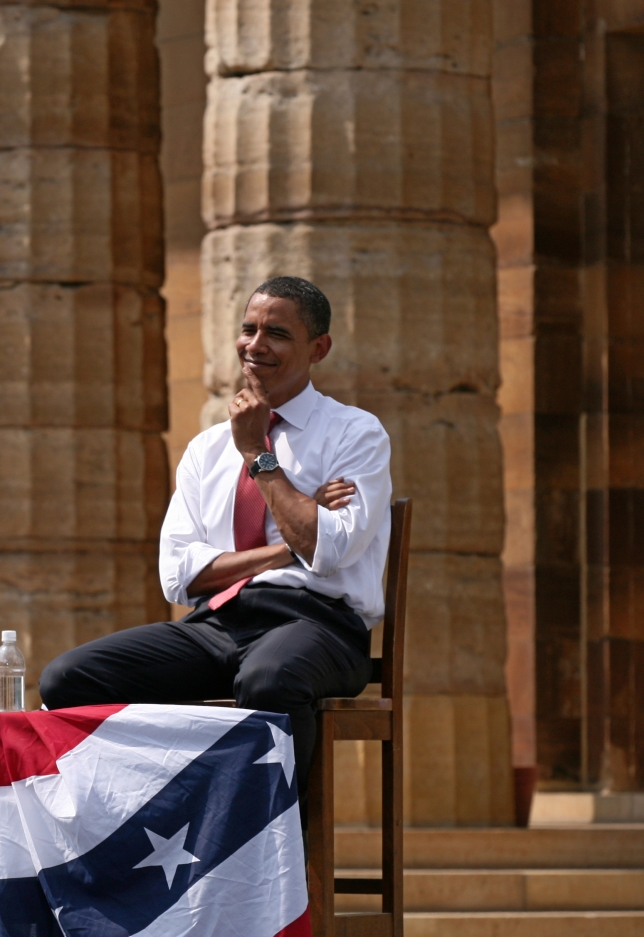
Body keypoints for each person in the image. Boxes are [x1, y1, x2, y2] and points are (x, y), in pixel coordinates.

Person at [39, 276, 391, 796]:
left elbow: (326, 550)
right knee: (70, 678)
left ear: (319, 348)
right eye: (248, 329)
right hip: (220, 622)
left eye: (276, 333)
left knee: (270, 681)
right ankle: (150, 826)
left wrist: (257, 454)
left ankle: (275, 855)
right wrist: (282, 548)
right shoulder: (207, 447)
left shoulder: (354, 433)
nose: (255, 344)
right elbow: (179, 574)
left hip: (318, 625)